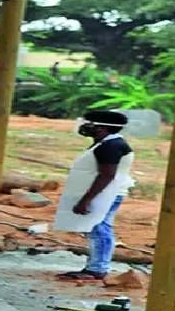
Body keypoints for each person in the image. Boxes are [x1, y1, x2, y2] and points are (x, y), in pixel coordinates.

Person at [53, 110, 136, 281]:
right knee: (97, 228)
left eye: (89, 123)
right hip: (104, 192)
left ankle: (98, 268)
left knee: (99, 229)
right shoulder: (105, 143)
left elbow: (106, 175)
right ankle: (96, 265)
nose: (85, 126)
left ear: (101, 128)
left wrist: (86, 200)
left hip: (106, 193)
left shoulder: (110, 146)